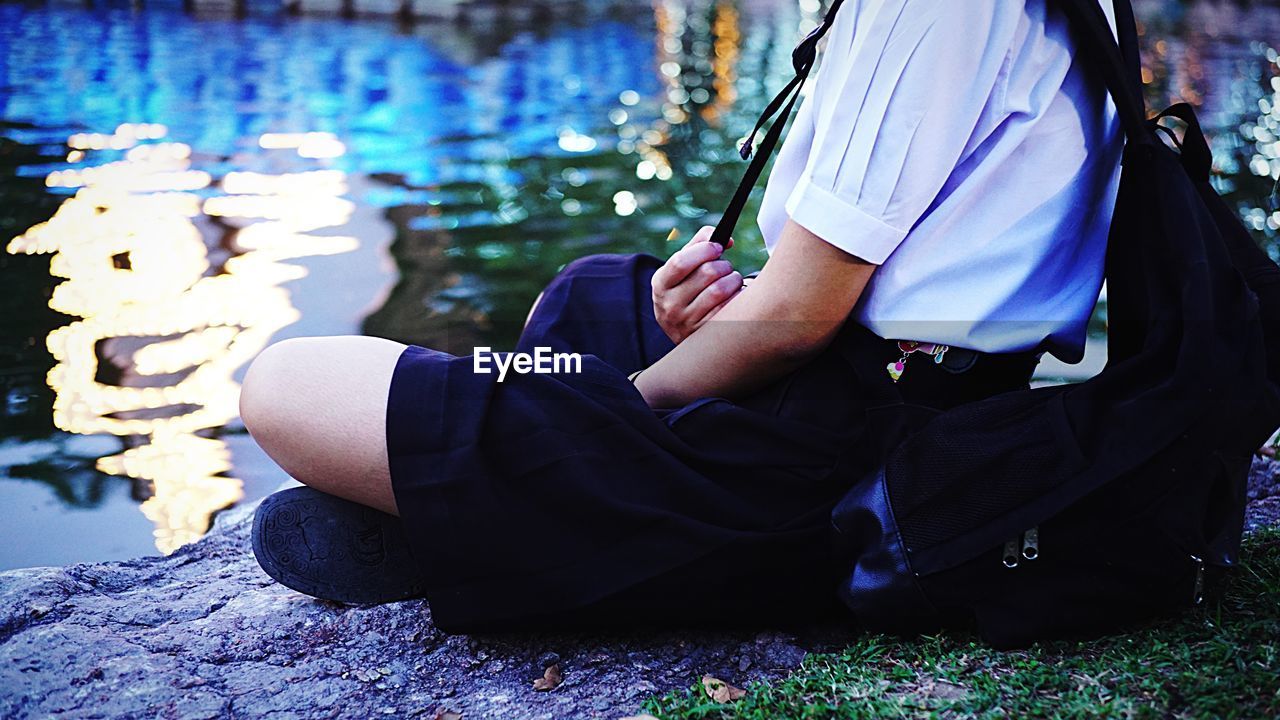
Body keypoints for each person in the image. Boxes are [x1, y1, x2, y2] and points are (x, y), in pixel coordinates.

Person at [242, 0, 1122, 632]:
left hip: (865, 448)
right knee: (595, 291)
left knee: (288, 386)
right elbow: (837, 279)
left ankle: (525, 510)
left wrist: (618, 397)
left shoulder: (932, 11)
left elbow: (794, 323)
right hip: (864, 371)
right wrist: (719, 306)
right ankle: (537, 507)